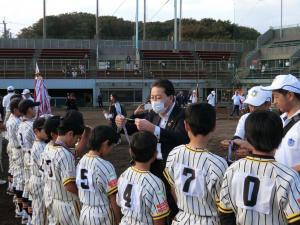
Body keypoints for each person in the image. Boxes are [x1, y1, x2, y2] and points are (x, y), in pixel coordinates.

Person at [116, 79, 189, 219]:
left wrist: (154, 129)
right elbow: (132, 127)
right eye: (152, 97)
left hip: (173, 169)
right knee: (156, 203)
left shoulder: (182, 114)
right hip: (153, 166)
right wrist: (122, 122)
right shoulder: (153, 114)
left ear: (171, 97)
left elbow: (180, 138)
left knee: (173, 206)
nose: (154, 101)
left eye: (158, 97)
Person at [218, 110, 300, 225]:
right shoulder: (288, 175)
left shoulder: (233, 169)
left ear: (248, 139)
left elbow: (225, 213)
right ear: (280, 138)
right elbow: (296, 220)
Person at [164, 103, 228, 225]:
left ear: (186, 125)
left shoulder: (174, 153)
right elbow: (224, 204)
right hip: (209, 220)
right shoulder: (218, 163)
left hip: (181, 218)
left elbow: (173, 187)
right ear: (214, 126)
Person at [117, 131, 170, 225]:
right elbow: (159, 219)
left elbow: (119, 203)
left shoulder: (123, 175)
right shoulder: (155, 182)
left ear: (130, 152)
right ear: (155, 154)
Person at [42, 110, 85, 225]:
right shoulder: (64, 154)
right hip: (69, 205)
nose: (76, 141)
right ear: (70, 134)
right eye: (77, 138)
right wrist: (85, 196)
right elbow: (69, 185)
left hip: (54, 201)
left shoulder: (48, 146)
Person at [76, 125, 121, 225]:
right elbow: (113, 198)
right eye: (111, 146)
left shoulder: (81, 160)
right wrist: (118, 220)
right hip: (102, 215)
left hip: (85, 212)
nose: (111, 150)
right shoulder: (106, 166)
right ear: (105, 143)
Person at [220, 86, 272, 161]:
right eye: (251, 105)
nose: (253, 109)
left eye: (257, 105)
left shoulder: (277, 121)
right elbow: (238, 136)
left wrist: (253, 151)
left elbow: (279, 150)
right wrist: (231, 144)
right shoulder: (245, 118)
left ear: (268, 104)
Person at [262, 74, 300, 172]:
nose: (274, 102)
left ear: (290, 95)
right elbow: (277, 150)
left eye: (276, 97)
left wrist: (285, 174)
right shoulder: (281, 118)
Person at [17, 99, 40, 224]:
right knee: (33, 190)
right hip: (32, 157)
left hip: (26, 155)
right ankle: (31, 217)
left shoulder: (22, 123)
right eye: (33, 107)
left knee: (28, 187)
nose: (35, 109)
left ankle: (27, 216)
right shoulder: (31, 125)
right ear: (29, 110)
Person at [5, 98, 22, 218]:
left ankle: (12, 191)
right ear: (15, 109)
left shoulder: (13, 118)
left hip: (12, 146)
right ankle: (20, 208)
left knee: (14, 170)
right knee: (20, 178)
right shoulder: (15, 121)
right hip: (17, 149)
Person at [29, 117, 48, 225]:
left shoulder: (41, 143)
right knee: (40, 213)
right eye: (45, 129)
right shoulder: (40, 146)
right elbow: (45, 169)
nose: (49, 132)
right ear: (36, 131)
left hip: (37, 180)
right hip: (39, 181)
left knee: (39, 211)